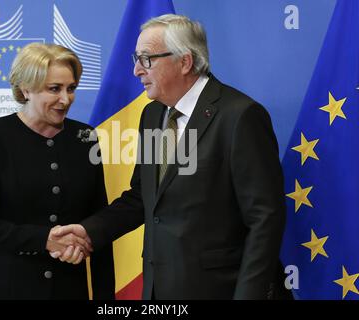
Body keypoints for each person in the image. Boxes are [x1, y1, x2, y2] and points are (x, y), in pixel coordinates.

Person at [52, 14, 286, 299]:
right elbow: (144, 197)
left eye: (146, 59)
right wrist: (89, 231)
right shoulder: (153, 115)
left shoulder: (239, 116)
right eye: (135, 59)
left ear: (185, 61)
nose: (137, 70)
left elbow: (264, 219)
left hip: (222, 289)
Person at [0, 43, 115, 299]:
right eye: (54, 89)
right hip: (5, 287)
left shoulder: (84, 137)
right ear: (26, 89)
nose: (65, 99)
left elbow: (98, 224)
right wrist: (45, 239)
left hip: (68, 288)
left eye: (71, 89)